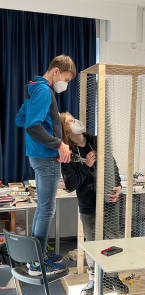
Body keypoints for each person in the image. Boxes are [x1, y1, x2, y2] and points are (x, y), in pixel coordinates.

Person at [15, 55, 76, 275]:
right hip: (46, 157)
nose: (66, 84)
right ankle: (38, 264)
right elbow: (32, 127)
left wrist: (50, 118)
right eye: (66, 79)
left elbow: (20, 119)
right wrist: (59, 144)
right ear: (57, 71)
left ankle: (37, 256)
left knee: (43, 208)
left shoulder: (34, 88)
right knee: (47, 209)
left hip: (38, 156)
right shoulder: (43, 90)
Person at [60, 112, 129, 295]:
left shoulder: (97, 141)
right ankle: (94, 278)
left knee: (113, 239)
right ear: (65, 130)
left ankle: (113, 277)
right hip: (88, 203)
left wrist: (119, 186)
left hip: (110, 202)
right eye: (69, 122)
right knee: (92, 243)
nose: (74, 122)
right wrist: (87, 165)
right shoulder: (67, 152)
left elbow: (113, 166)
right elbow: (70, 185)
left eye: (74, 118)